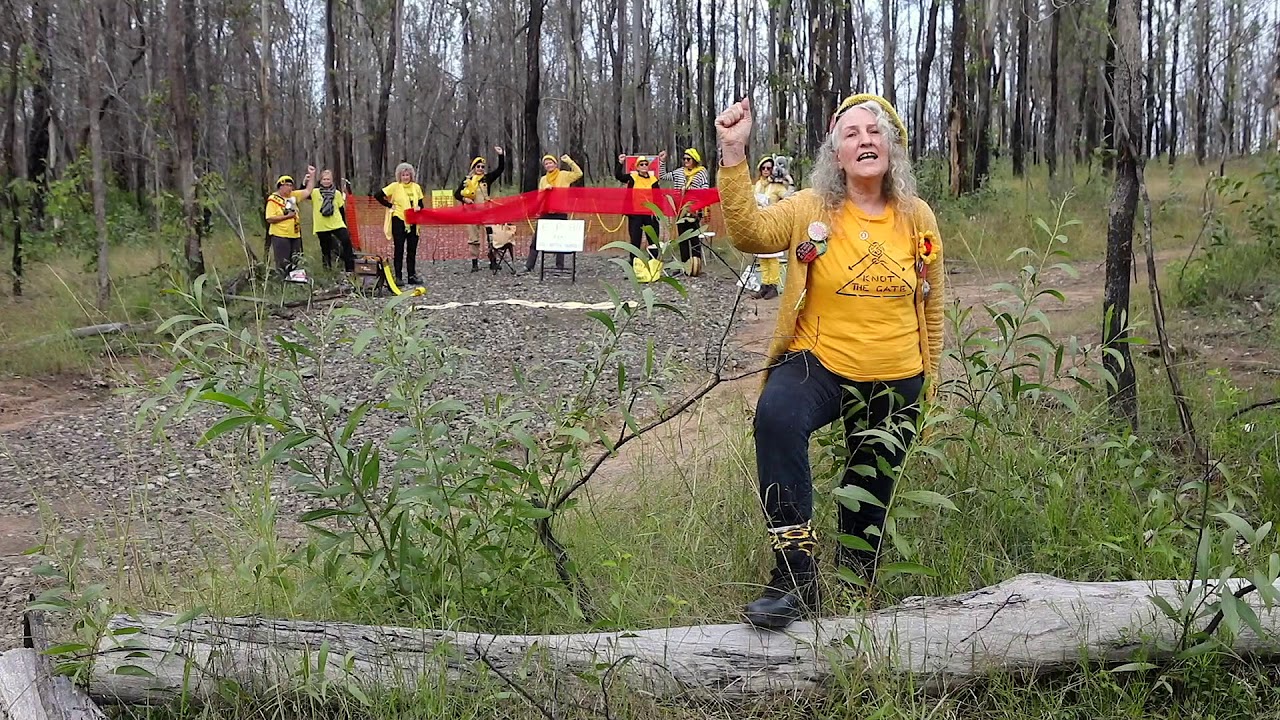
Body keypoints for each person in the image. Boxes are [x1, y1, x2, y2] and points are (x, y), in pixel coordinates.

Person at [714, 93, 945, 630]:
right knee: (776, 417)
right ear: (835, 154)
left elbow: (932, 303)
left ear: (892, 146)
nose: (865, 139)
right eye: (851, 133)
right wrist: (732, 153)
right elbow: (750, 233)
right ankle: (795, 577)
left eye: (875, 131)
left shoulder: (917, 216)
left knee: (867, 498)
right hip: (819, 362)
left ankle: (852, 599)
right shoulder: (810, 207)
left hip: (896, 375)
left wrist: (929, 380)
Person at [525, 153, 583, 273]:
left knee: (560, 240)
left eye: (550, 162)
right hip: (545, 213)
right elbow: (539, 196)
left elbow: (579, 173)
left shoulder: (564, 175)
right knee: (536, 239)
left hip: (560, 212)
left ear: (555, 164)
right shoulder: (543, 179)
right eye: (546, 163)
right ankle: (529, 265)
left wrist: (569, 161)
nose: (548, 165)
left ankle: (559, 266)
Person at [656, 148, 710, 274]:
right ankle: (685, 266)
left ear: (694, 160)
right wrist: (662, 161)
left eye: (688, 159)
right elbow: (663, 176)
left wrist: (693, 194)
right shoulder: (679, 172)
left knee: (694, 238)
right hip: (680, 210)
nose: (686, 161)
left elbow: (705, 189)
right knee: (682, 238)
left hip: (694, 210)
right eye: (684, 159)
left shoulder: (701, 172)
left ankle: (696, 267)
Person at [454, 147, 506, 272]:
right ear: (473, 168)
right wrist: (465, 199)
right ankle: (474, 263)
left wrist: (501, 156)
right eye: (478, 167)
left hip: (486, 212)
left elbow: (500, 170)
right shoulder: (467, 181)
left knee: (491, 236)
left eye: (483, 167)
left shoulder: (487, 178)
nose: (481, 169)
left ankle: (493, 261)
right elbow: (456, 194)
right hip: (472, 213)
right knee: (473, 238)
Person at [374, 162, 425, 286]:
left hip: (413, 221)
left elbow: (421, 203)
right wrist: (390, 205)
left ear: (411, 176)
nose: (406, 177)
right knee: (399, 249)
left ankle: (412, 275)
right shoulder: (395, 187)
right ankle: (398, 277)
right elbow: (378, 195)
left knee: (412, 250)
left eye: (408, 175)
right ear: (399, 176)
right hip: (399, 220)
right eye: (403, 175)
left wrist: (419, 208)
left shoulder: (416, 187)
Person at [265, 167, 316, 281]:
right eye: (287, 185)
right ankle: (283, 282)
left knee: (297, 259)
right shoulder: (273, 199)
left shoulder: (293, 196)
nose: (289, 188)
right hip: (280, 235)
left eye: (291, 185)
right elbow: (270, 218)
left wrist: (312, 176)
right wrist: (287, 217)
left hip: (295, 234)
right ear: (280, 186)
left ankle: (297, 281)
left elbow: (308, 191)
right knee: (283, 261)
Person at [750, 155, 787, 300]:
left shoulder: (777, 186)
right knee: (762, 256)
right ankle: (764, 285)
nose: (766, 170)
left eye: (769, 168)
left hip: (773, 224)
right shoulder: (757, 185)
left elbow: (788, 198)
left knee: (773, 257)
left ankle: (774, 285)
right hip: (759, 223)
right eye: (763, 168)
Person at [614, 154, 661, 259]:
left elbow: (658, 197)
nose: (644, 166)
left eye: (645, 164)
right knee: (635, 239)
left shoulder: (653, 180)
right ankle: (634, 262)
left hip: (650, 214)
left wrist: (659, 212)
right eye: (641, 164)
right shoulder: (632, 177)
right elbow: (618, 176)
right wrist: (620, 163)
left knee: (653, 239)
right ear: (637, 167)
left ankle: (653, 261)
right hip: (635, 214)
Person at [310, 170, 354, 275]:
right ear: (320, 181)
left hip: (336, 222)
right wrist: (307, 180)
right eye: (324, 179)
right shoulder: (315, 192)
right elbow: (303, 192)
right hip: (322, 225)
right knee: (325, 248)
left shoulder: (337, 193)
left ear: (332, 180)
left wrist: (345, 224)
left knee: (346, 241)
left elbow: (341, 209)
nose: (326, 181)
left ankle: (350, 268)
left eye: (328, 179)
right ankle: (327, 270)